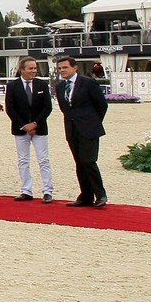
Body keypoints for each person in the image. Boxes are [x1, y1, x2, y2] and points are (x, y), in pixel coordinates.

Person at [55, 54, 109, 208]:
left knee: (89, 161)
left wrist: (92, 122)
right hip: (72, 131)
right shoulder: (60, 87)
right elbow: (64, 108)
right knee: (79, 163)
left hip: (89, 129)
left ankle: (101, 195)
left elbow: (101, 105)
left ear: (74, 67)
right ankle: (86, 196)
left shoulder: (88, 83)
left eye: (65, 67)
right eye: (59, 68)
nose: (62, 70)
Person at [5, 57, 54, 203]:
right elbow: (11, 109)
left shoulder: (42, 85)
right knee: (23, 160)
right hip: (21, 129)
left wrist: (35, 123)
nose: (33, 71)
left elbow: (47, 107)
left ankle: (47, 191)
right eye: (30, 68)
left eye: (34, 68)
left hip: (39, 128)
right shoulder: (12, 86)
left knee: (43, 160)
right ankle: (26, 190)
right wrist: (24, 125)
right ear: (22, 69)